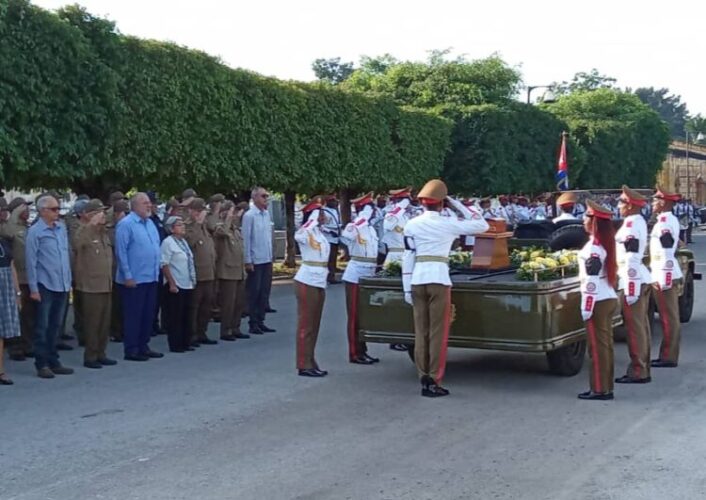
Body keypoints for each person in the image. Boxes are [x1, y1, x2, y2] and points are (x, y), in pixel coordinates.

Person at [402, 180, 489, 397]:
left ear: (422, 203)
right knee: (437, 333)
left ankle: (423, 376)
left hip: (417, 278)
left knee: (420, 332)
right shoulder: (447, 223)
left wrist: (406, 288)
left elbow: (408, 256)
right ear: (442, 203)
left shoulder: (412, 224)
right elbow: (481, 225)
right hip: (438, 278)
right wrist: (456, 204)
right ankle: (434, 379)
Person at [25, 194, 74, 378]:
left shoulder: (61, 228)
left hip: (62, 283)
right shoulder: (35, 232)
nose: (57, 213)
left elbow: (64, 256)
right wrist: (34, 289)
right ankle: (42, 363)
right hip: (45, 284)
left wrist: (68, 281)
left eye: (58, 209)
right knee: (42, 326)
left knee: (56, 325)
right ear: (43, 210)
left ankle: (54, 360)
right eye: (54, 209)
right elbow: (31, 262)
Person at [577, 200, 618, 400]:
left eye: (587, 216)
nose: (583, 219)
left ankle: (600, 389)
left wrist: (587, 305)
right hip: (607, 296)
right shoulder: (602, 243)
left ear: (594, 222)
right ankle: (606, 386)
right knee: (605, 345)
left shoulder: (594, 247)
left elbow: (591, 282)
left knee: (597, 347)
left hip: (597, 300)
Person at [115, 193, 163, 361]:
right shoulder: (126, 225)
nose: (149, 206)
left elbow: (156, 248)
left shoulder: (150, 223)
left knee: (148, 314)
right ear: (134, 206)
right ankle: (132, 349)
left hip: (151, 277)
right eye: (145, 203)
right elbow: (121, 252)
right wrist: (127, 276)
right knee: (134, 315)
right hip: (134, 280)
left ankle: (144, 345)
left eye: (150, 203)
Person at [614, 187, 652, 384]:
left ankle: (638, 370)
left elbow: (630, 258)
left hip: (633, 279)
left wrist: (630, 287)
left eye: (621, 202)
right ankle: (643, 365)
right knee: (641, 326)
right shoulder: (635, 222)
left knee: (634, 327)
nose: (618, 206)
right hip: (638, 278)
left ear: (629, 205)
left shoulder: (631, 226)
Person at [73, 199, 117, 369]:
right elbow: (77, 244)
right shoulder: (83, 231)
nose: (103, 215)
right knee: (92, 322)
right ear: (91, 214)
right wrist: (91, 224)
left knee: (104, 323)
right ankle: (90, 356)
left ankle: (101, 353)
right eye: (100, 212)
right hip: (90, 286)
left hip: (105, 284)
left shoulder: (103, 233)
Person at [340, 192, 380, 365]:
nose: (373, 212)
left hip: (369, 273)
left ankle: (364, 350)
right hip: (355, 274)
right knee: (355, 316)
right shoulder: (354, 226)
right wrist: (362, 217)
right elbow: (345, 237)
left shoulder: (370, 228)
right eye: (370, 209)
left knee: (365, 316)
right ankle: (355, 352)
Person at [293, 199, 330, 377]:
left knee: (315, 324)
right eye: (319, 213)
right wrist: (312, 219)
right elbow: (298, 235)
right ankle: (303, 363)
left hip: (319, 279)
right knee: (306, 325)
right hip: (307, 279)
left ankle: (310, 359)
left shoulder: (319, 233)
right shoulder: (306, 231)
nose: (323, 216)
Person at [649, 187, 682, 368]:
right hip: (663, 273)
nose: (653, 203)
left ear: (663, 202)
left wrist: (665, 278)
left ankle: (668, 356)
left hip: (664, 274)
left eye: (655, 200)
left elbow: (668, 252)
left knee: (669, 317)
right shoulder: (665, 220)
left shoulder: (665, 223)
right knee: (668, 316)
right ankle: (667, 354)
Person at [1, 198, 35, 361]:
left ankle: (27, 345)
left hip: (29, 277)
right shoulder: (8, 228)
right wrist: (13, 217)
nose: (27, 211)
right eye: (23, 209)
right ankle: (16, 348)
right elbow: (6, 235)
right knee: (17, 316)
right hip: (16, 277)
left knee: (28, 315)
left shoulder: (26, 227)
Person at [184, 198, 218, 345]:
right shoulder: (189, 226)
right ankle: (192, 334)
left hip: (209, 272)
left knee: (206, 306)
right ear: (194, 212)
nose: (203, 214)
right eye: (201, 211)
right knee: (194, 307)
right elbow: (190, 242)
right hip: (197, 274)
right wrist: (197, 223)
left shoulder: (205, 227)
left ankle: (202, 332)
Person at [214, 201, 249, 341]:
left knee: (239, 302)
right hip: (227, 272)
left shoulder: (235, 229)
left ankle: (235, 327)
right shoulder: (220, 227)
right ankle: (226, 330)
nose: (235, 215)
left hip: (239, 271)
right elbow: (221, 232)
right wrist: (227, 217)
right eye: (232, 212)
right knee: (228, 303)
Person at [160, 216, 196, 352]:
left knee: (186, 314)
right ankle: (175, 344)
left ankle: (185, 341)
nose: (183, 227)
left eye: (183, 224)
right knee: (175, 315)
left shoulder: (183, 242)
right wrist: (172, 283)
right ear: (171, 228)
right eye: (179, 225)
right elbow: (164, 264)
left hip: (187, 282)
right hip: (175, 284)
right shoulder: (168, 243)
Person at [242, 186, 275, 334]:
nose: (265, 199)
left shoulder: (266, 214)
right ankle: (253, 322)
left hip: (266, 258)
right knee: (254, 291)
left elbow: (268, 236)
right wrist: (248, 260)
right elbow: (246, 239)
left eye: (266, 196)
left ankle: (261, 320)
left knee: (264, 291)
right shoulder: (250, 216)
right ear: (254, 198)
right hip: (256, 259)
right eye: (263, 196)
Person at [0, 235, 21, 385]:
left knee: (1, 333)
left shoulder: (4, 241)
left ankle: (0, 371)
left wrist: (17, 292)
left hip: (5, 288)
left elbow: (12, 266)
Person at [108, 200, 129, 343]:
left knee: (124, 303)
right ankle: (115, 330)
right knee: (116, 303)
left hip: (125, 269)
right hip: (113, 269)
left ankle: (123, 329)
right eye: (123, 213)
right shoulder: (111, 228)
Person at [382, 187, 414, 267]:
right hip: (394, 256)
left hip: (407, 255)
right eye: (406, 201)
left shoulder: (405, 217)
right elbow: (388, 226)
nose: (408, 204)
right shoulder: (390, 215)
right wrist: (400, 207)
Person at [321, 195, 342, 284]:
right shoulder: (324, 211)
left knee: (333, 258)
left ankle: (331, 276)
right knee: (328, 259)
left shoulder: (335, 211)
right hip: (327, 238)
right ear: (327, 202)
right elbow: (321, 225)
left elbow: (336, 223)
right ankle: (326, 276)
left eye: (335, 201)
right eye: (332, 201)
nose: (334, 202)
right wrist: (329, 231)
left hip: (335, 237)